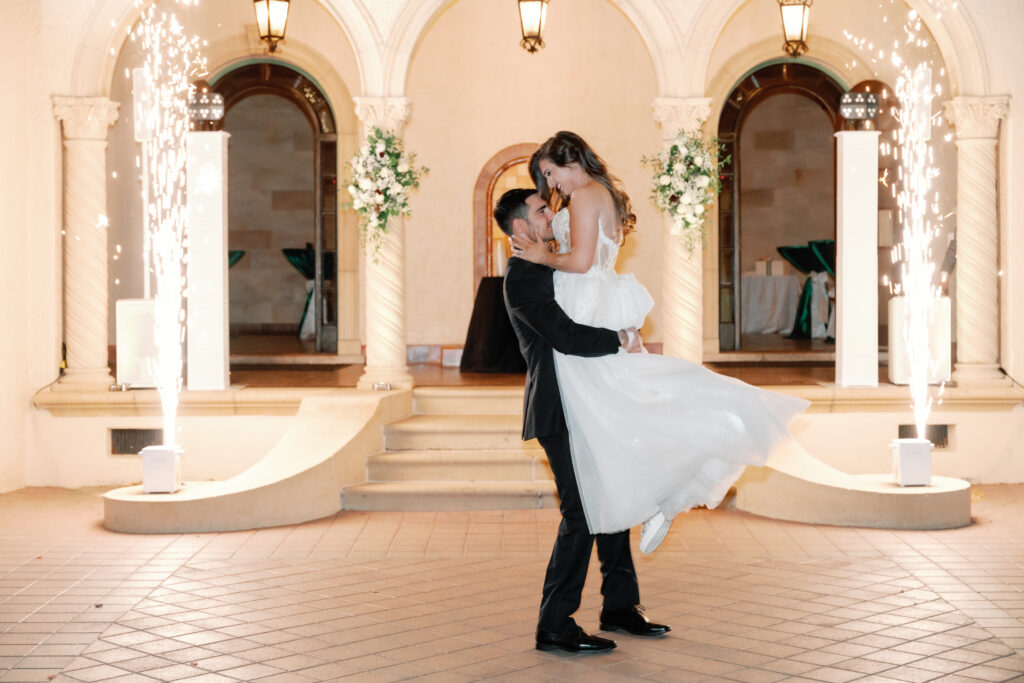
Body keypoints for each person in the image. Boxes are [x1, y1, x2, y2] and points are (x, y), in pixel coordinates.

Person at [510, 131, 809, 555]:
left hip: (586, 304)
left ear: (569, 160)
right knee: (628, 409)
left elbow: (578, 262)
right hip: (599, 296)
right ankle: (659, 497)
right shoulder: (604, 193)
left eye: (550, 173)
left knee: (611, 414)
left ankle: (661, 494)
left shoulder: (583, 196)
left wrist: (543, 258)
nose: (551, 184)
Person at [496, 188, 671, 654]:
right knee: (580, 511)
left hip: (590, 400)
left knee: (609, 495)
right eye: (540, 210)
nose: (551, 214)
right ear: (519, 228)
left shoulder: (559, 262)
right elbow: (564, 336)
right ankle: (554, 622)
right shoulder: (522, 276)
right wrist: (621, 337)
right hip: (558, 407)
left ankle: (620, 606)